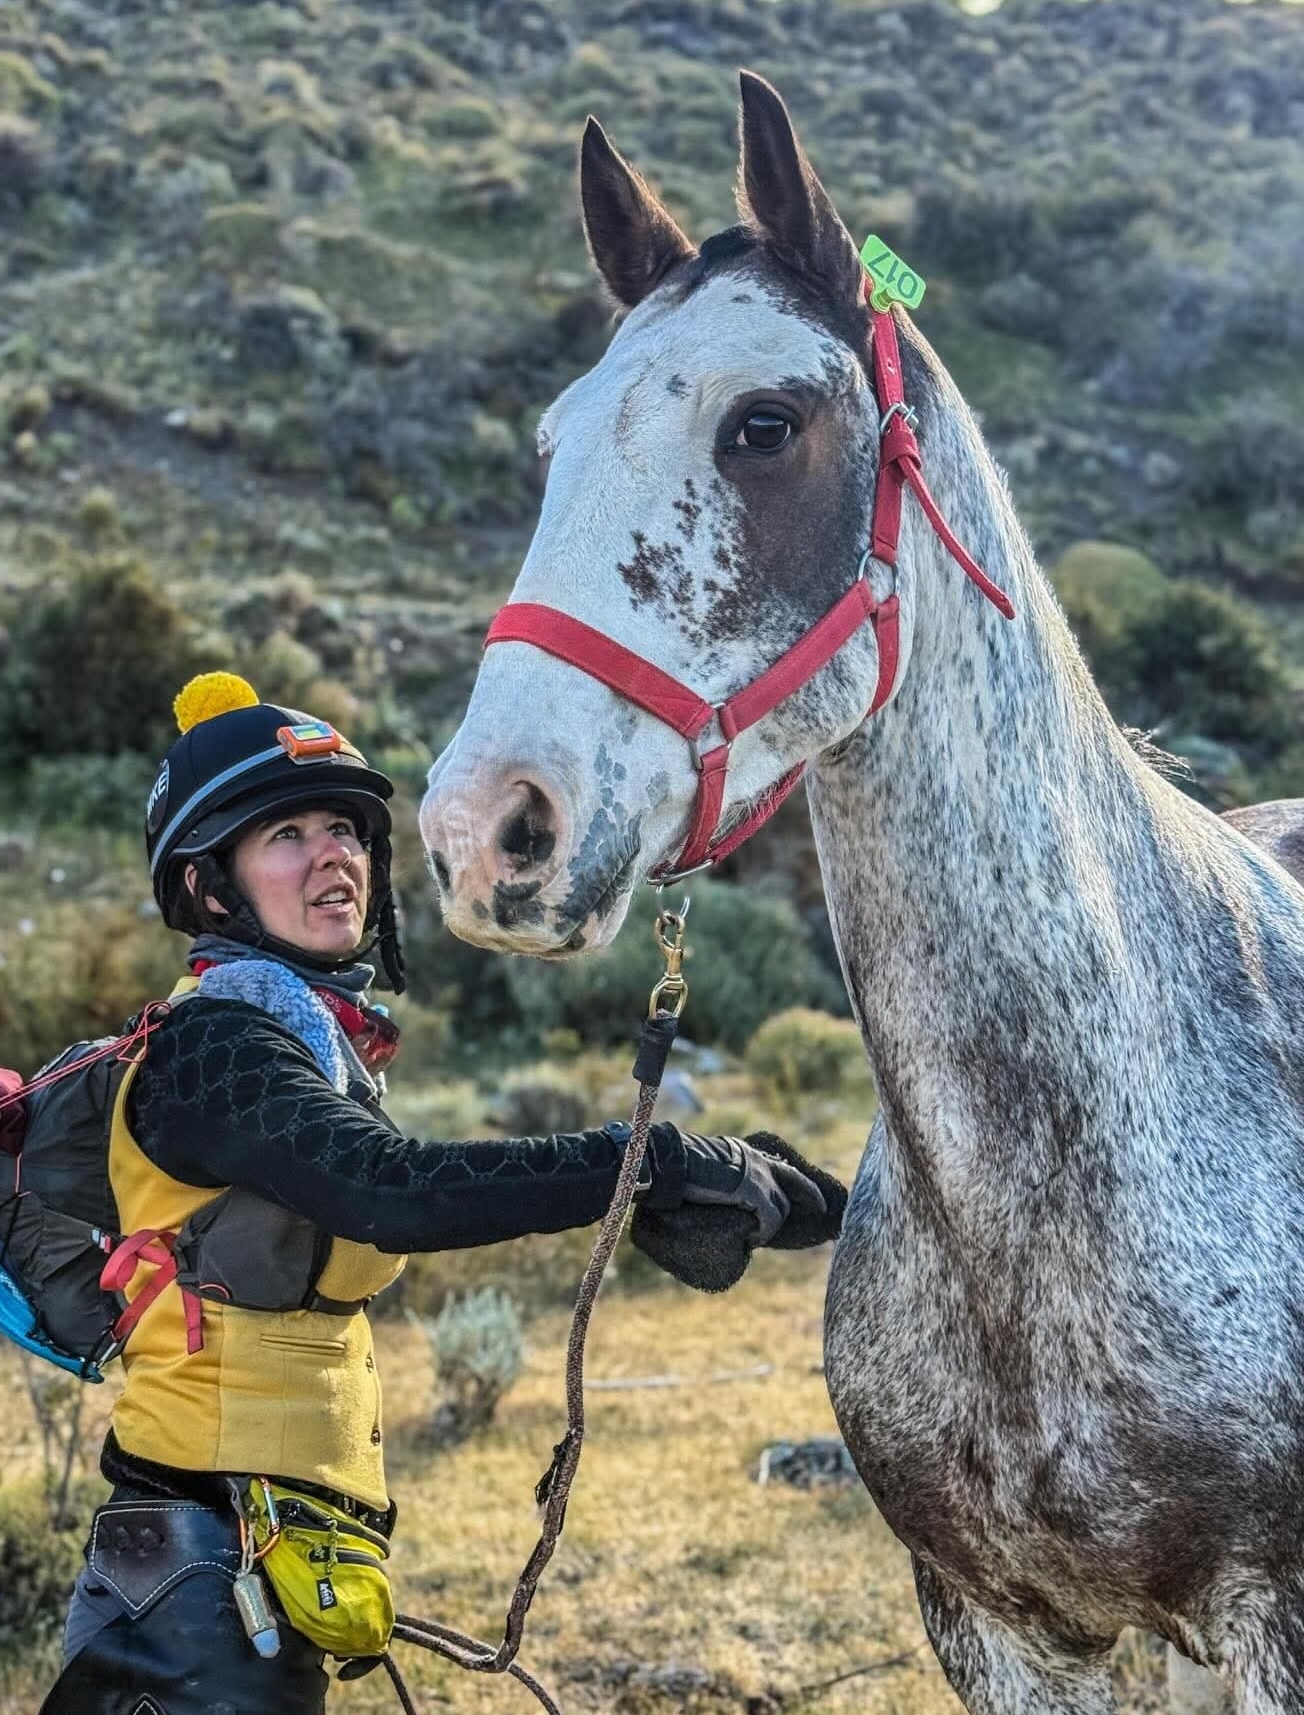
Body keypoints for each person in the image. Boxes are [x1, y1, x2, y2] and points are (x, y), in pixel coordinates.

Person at [41, 671, 843, 1715]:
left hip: (247, 1565)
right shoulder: (212, 1048)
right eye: (286, 834)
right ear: (208, 888)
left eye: (344, 827)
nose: (333, 853)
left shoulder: (300, 1042)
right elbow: (395, 1191)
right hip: (192, 1589)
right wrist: (654, 1160)